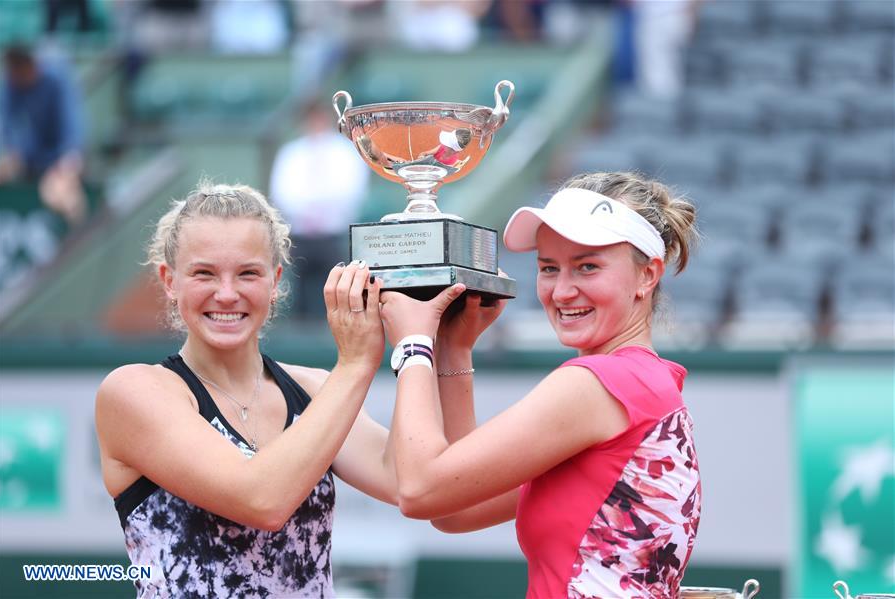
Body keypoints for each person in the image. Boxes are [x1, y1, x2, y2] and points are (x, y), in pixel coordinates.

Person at [379, 171, 702, 597]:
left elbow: (419, 489)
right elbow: (454, 508)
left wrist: (413, 345)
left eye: (587, 266)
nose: (563, 290)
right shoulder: (647, 382)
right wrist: (454, 349)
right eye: (549, 268)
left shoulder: (600, 384)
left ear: (648, 275)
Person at [94, 181, 393, 597]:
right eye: (204, 273)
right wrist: (358, 362)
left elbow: (413, 482)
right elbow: (261, 500)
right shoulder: (134, 391)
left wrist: (443, 347)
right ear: (169, 280)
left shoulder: (317, 390)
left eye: (248, 273)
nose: (227, 293)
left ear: (275, 282)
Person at [269, 100, 369, 320]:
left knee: (336, 289)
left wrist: (325, 211)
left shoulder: (344, 152)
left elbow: (352, 188)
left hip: (334, 233)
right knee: (300, 293)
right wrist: (306, 212)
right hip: (300, 233)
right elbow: (282, 191)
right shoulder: (292, 152)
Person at [0, 45, 87, 226]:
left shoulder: (55, 79)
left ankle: (78, 229)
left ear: (29, 66)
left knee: (56, 193)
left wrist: (68, 161)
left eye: (17, 71)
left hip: (62, 159)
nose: (14, 77)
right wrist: (11, 157)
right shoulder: (10, 86)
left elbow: (72, 129)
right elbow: (8, 131)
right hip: (32, 161)